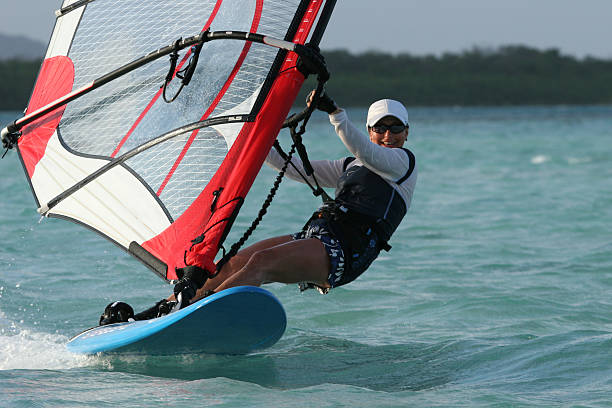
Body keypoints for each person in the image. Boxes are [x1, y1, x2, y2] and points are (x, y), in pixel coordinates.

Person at [99, 91, 417, 325]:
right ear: (371, 129)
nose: (387, 135)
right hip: (318, 235)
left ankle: (187, 316)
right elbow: (291, 167)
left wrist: (336, 114)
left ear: (406, 133)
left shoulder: (402, 164)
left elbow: (368, 151)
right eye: (380, 128)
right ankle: (153, 314)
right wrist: (255, 132)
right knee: (235, 261)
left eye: (395, 129)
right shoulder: (349, 165)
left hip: (346, 252)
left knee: (261, 263)